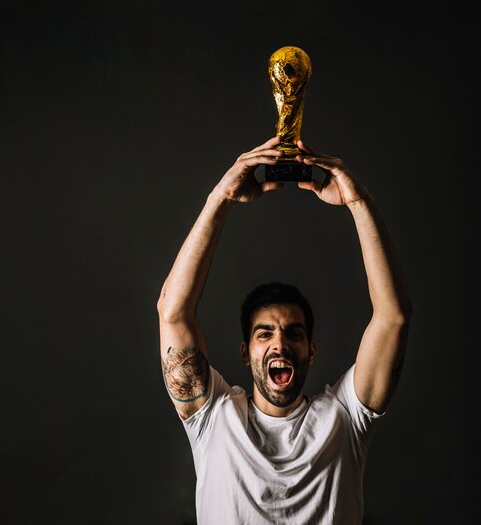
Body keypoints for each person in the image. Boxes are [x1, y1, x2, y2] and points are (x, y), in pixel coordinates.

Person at [157, 135, 412, 525]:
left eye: (294, 333)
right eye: (265, 334)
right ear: (246, 351)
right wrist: (220, 197)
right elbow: (172, 313)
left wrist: (360, 203)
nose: (280, 343)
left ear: (311, 349)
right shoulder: (214, 418)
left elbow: (393, 316)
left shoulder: (343, 420)